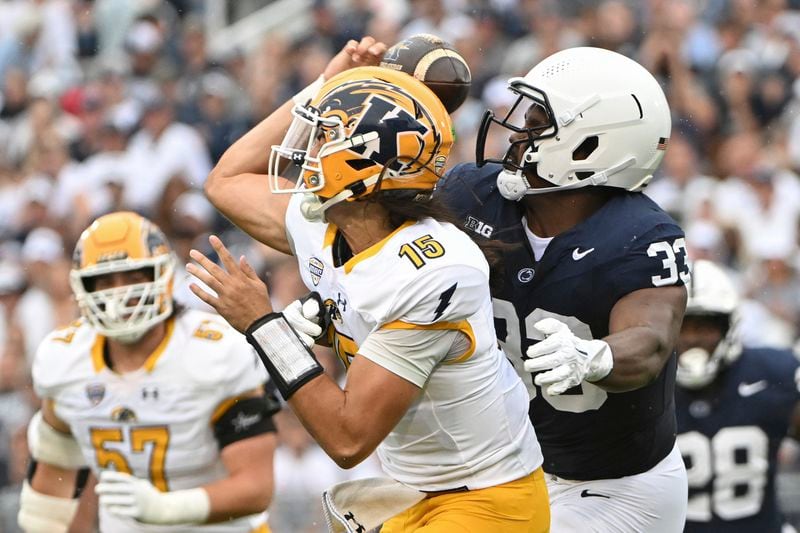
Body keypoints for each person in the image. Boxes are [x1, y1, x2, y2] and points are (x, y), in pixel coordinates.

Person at [193, 65, 550, 532]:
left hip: (488, 500)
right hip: (410, 490)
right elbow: (226, 178)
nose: (309, 147)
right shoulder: (327, 224)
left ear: (365, 159)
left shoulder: (434, 270)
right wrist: (327, 78)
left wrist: (266, 326)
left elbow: (347, 439)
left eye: (325, 136)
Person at [435, 47, 689, 531]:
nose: (517, 133)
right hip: (507, 468)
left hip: (615, 487)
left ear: (590, 146)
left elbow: (650, 339)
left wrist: (595, 357)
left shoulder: (641, 237)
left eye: (536, 123)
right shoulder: (474, 196)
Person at [18, 211, 279, 533]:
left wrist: (167, 508)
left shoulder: (213, 352)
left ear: (162, 276)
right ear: (82, 286)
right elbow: (54, 477)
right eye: (105, 280)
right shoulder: (66, 360)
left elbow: (256, 487)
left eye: (132, 277)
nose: (120, 293)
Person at [675, 259, 800, 532]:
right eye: (681, 326)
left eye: (705, 326)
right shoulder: (638, 386)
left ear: (729, 327)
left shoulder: (772, 374)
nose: (691, 338)